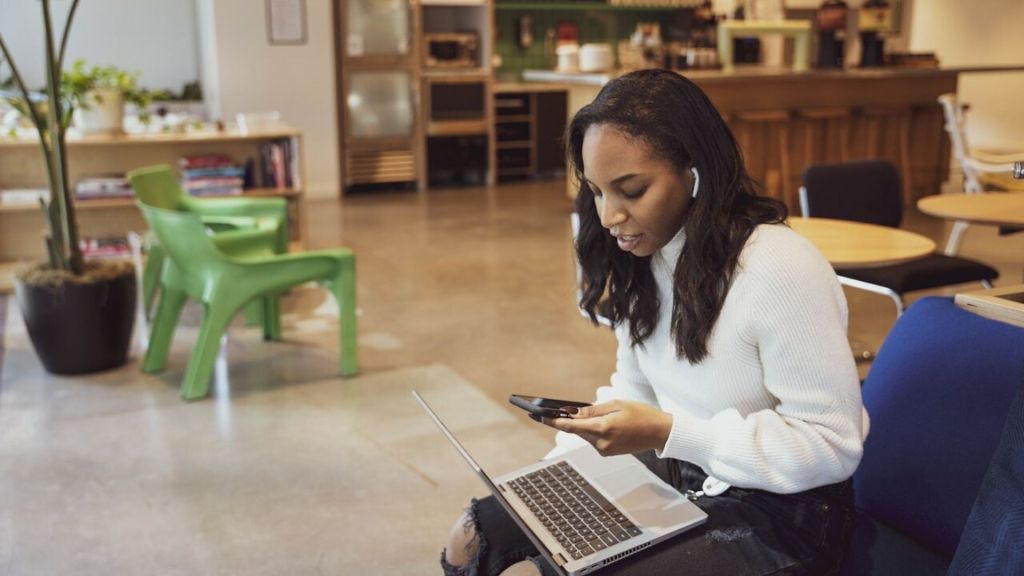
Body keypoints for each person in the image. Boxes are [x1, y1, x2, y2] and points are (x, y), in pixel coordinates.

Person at [441, 69, 868, 576]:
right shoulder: (647, 252)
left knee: (571, 568)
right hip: (687, 470)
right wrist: (555, 473)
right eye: (597, 191)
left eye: (632, 190)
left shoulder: (779, 269)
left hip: (785, 512)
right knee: (473, 535)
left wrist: (670, 431)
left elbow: (830, 446)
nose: (608, 216)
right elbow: (635, 387)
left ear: (695, 172)